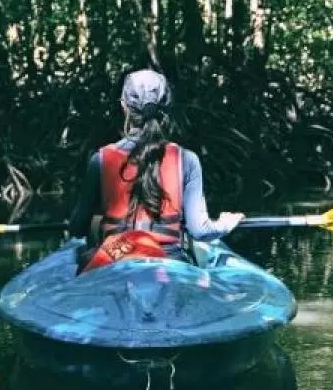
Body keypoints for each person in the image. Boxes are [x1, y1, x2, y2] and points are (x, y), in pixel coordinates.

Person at [68, 69, 243, 272]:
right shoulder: (187, 159)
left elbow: (77, 228)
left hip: (116, 259)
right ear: (165, 108)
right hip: (169, 262)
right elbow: (200, 230)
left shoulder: (100, 160)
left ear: (124, 107)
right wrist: (225, 223)